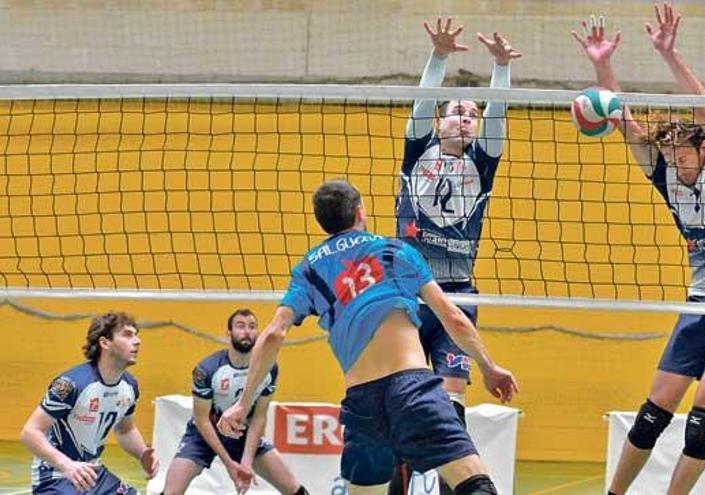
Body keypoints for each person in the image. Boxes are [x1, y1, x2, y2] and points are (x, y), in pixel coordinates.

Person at [572, 4, 705, 494]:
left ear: (703, 148)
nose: (675, 152)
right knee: (651, 415)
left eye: (684, 145)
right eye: (669, 147)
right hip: (698, 303)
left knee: (703, 420)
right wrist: (602, 68)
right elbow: (618, 117)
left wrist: (668, 52)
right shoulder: (665, 176)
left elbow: (703, 103)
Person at [217, 180, 518, 494]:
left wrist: (242, 403)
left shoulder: (309, 269)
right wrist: (488, 367)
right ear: (361, 211)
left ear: (322, 221)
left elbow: (273, 335)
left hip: (362, 404)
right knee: (475, 484)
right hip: (413, 388)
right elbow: (453, 317)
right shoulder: (396, 251)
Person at [394, 16, 520, 493]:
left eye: (472, 113)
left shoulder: (481, 164)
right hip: (406, 294)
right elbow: (422, 100)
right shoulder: (416, 151)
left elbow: (499, 113)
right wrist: (440, 56)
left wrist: (501, 68)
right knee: (400, 403)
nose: (465, 117)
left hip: (456, 297)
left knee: (449, 412)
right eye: (457, 111)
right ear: (438, 119)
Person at [162, 308, 307, 495]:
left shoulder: (268, 368)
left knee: (294, 489)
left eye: (252, 326)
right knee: (171, 492)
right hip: (204, 435)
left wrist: (246, 462)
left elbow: (259, 417)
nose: (247, 331)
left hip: (242, 434)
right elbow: (201, 420)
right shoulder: (207, 369)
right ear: (228, 332)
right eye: (240, 326)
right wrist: (229, 463)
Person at [21, 311, 158, 494]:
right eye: (127, 335)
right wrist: (68, 465)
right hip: (56, 477)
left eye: (136, 335)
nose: (137, 341)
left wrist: (143, 454)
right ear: (104, 343)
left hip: (92, 473)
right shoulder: (72, 384)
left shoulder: (129, 386)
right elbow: (30, 432)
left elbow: (126, 430)